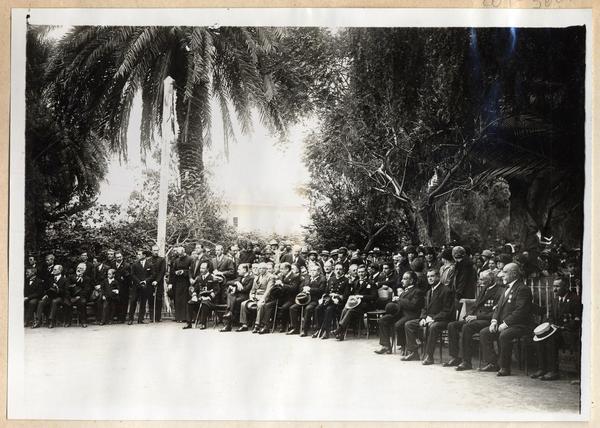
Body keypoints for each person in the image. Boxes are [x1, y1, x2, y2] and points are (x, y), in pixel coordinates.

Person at [479, 263, 534, 376]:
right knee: (485, 332)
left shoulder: (523, 289)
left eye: (505, 272)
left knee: (505, 335)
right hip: (505, 324)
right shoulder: (506, 288)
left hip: (520, 325)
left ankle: (505, 367)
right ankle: (493, 363)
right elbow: (498, 308)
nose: (501, 275)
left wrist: (506, 323)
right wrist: (494, 321)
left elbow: (521, 311)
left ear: (514, 274)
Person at [446, 270, 503, 371]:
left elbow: (495, 313)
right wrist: (468, 315)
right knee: (452, 325)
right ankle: (455, 357)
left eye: (482, 279)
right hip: (476, 318)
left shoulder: (499, 291)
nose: (479, 281)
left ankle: (466, 362)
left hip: (487, 320)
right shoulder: (484, 288)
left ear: (490, 280)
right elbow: (475, 306)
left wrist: (477, 317)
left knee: (467, 327)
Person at [531, 278, 582, 381]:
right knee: (540, 338)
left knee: (551, 339)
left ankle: (553, 371)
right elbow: (551, 317)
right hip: (557, 330)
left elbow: (577, 319)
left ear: (566, 287)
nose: (554, 289)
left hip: (569, 332)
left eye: (557, 286)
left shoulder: (575, 299)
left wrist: (563, 327)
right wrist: (551, 324)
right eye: (553, 286)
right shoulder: (555, 300)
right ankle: (542, 368)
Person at [402, 269, 453, 364]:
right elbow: (424, 308)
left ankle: (429, 356)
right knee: (409, 324)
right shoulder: (429, 291)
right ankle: (413, 352)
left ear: (439, 277)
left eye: (432, 276)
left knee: (433, 327)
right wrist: (422, 318)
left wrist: (433, 318)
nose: (430, 278)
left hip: (442, 320)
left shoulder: (446, 291)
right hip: (428, 318)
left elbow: (447, 311)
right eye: (428, 277)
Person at [374, 271, 425, 355]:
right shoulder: (405, 291)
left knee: (398, 324)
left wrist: (399, 299)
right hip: (400, 314)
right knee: (383, 320)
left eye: (405, 279)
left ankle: (404, 346)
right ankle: (386, 346)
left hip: (411, 315)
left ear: (411, 280)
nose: (402, 281)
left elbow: (413, 306)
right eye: (402, 278)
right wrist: (394, 303)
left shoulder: (417, 291)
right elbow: (400, 304)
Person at [333, 265, 377, 340]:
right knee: (345, 309)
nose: (361, 274)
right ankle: (341, 333)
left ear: (366, 272)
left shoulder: (371, 282)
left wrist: (361, 296)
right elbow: (350, 293)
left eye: (362, 272)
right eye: (359, 272)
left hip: (366, 305)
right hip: (355, 304)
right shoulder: (355, 282)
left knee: (350, 310)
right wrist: (350, 284)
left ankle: (339, 330)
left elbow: (374, 296)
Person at [263, 262, 300, 334]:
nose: (280, 270)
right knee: (268, 305)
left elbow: (294, 289)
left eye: (282, 269)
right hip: (281, 297)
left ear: (287, 269)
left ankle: (284, 325)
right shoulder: (281, 276)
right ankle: (266, 326)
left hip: (291, 298)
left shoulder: (295, 276)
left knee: (284, 307)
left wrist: (282, 284)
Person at [289, 264, 326, 336]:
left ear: (318, 272)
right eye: (311, 270)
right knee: (293, 308)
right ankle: (295, 328)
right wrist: (303, 289)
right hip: (304, 298)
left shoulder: (322, 279)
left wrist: (310, 290)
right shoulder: (307, 278)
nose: (312, 272)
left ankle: (304, 330)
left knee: (308, 309)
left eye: (314, 270)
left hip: (314, 300)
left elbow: (321, 290)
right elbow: (300, 288)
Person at [237, 263, 275, 332]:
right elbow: (253, 289)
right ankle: (244, 324)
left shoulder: (270, 277)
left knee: (260, 305)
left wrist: (263, 299)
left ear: (266, 269)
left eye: (263, 268)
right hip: (255, 297)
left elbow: (268, 290)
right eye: (259, 268)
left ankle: (257, 325)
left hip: (265, 297)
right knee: (243, 304)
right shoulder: (257, 277)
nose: (261, 270)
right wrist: (251, 295)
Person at [315, 263, 349, 339]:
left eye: (340, 269)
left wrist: (338, 298)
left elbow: (346, 295)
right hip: (329, 300)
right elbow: (326, 291)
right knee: (318, 308)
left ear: (343, 270)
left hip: (338, 303)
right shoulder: (331, 279)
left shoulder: (346, 280)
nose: (338, 271)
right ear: (334, 270)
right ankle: (319, 329)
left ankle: (326, 332)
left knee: (329, 309)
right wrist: (322, 298)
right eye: (337, 269)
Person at [183, 261, 219, 329]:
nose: (201, 270)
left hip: (210, 300)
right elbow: (195, 289)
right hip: (200, 298)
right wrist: (194, 295)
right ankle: (189, 323)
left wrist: (209, 297)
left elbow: (216, 291)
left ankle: (203, 323)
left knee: (204, 303)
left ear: (208, 269)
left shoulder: (213, 278)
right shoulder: (199, 278)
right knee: (190, 303)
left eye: (203, 268)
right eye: (200, 268)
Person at [220, 263, 254, 332]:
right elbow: (228, 282)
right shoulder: (240, 277)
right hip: (237, 296)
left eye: (239, 269)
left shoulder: (251, 278)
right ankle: (229, 313)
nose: (237, 271)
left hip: (245, 297)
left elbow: (246, 289)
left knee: (232, 299)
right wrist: (236, 283)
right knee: (230, 295)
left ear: (244, 270)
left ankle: (228, 324)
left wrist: (235, 289)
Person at [34, 264, 67, 328]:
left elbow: (66, 291)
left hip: (60, 297)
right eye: (53, 269)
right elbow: (46, 288)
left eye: (55, 269)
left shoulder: (65, 279)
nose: (53, 270)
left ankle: (51, 321)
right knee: (41, 302)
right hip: (50, 296)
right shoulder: (50, 279)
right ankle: (38, 321)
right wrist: (46, 294)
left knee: (54, 301)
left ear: (60, 270)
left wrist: (58, 289)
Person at [128, 250, 153, 325]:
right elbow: (132, 275)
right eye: (137, 254)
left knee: (143, 302)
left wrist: (145, 281)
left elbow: (152, 275)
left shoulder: (150, 264)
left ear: (144, 255)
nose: (137, 255)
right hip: (136, 286)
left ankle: (140, 319)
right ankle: (130, 319)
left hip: (145, 286)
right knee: (133, 302)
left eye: (139, 254)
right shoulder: (134, 264)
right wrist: (139, 282)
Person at [64, 263, 92, 327]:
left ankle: (83, 321)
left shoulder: (87, 278)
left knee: (83, 302)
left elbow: (87, 290)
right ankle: (68, 321)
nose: (79, 269)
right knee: (66, 302)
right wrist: (70, 297)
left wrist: (78, 297)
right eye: (78, 268)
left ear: (84, 270)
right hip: (71, 296)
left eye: (81, 268)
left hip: (81, 297)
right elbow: (67, 288)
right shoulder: (71, 277)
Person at [170, 246, 192, 322]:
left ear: (183, 251)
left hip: (186, 282)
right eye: (178, 254)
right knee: (178, 300)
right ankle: (178, 317)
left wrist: (184, 272)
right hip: (178, 282)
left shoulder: (190, 259)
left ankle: (185, 318)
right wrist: (176, 273)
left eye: (180, 253)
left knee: (185, 300)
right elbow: (172, 271)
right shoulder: (176, 260)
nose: (180, 255)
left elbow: (191, 270)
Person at [148, 245, 166, 322]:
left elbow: (162, 272)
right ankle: (152, 317)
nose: (156, 252)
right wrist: (150, 280)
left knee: (158, 299)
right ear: (151, 251)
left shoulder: (162, 260)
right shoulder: (148, 260)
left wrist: (157, 281)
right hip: (150, 282)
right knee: (151, 299)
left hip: (159, 282)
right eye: (154, 250)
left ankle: (158, 317)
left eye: (157, 250)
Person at [113, 251, 131, 323]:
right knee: (117, 301)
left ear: (122, 257)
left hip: (124, 286)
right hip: (115, 286)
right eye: (117, 257)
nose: (119, 258)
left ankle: (123, 318)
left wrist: (124, 278)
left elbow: (129, 276)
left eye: (120, 257)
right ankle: (116, 316)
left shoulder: (127, 265)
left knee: (124, 302)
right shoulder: (113, 264)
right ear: (115, 258)